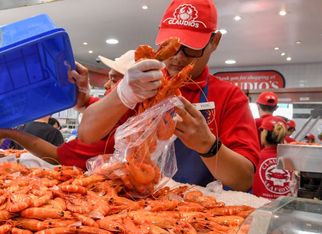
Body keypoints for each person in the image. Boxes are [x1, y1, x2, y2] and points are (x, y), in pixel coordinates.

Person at [74, 0, 260, 191]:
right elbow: (87, 134)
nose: (178, 57)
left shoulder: (230, 97)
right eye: (171, 45)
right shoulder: (142, 81)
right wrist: (123, 93)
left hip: (194, 208)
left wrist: (208, 144)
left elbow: (244, 179)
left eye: (191, 47)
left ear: (214, 42)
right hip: (135, 198)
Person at [0, 50, 134, 168]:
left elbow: (60, 155)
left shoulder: (119, 128)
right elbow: (85, 105)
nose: (106, 85)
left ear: (132, 89)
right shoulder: (126, 114)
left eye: (113, 80)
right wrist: (82, 89)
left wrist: (6, 132)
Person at [252, 116, 295, 199]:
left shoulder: (256, 157)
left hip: (260, 209)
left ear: (264, 134)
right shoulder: (292, 159)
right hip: (285, 207)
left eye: (261, 130)